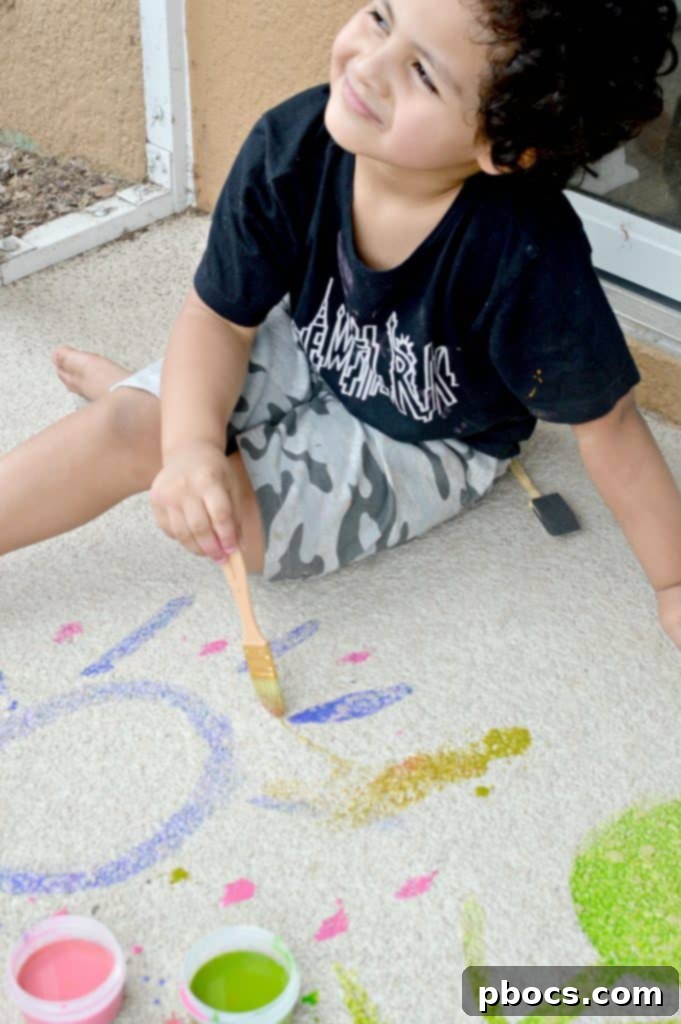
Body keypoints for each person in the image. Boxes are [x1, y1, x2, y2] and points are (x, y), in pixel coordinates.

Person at [1, 0, 680, 650]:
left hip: (434, 438)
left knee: (229, 526)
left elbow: (609, 425)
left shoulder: (526, 252)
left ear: (506, 145)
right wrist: (185, 450)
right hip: (310, 348)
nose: (367, 64)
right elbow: (217, 320)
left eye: (420, 72)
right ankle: (156, 413)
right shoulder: (291, 144)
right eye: (381, 16)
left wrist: (673, 582)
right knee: (136, 434)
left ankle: (160, 403)